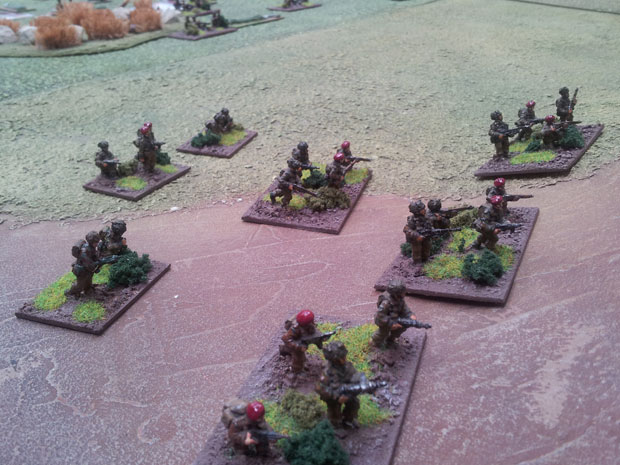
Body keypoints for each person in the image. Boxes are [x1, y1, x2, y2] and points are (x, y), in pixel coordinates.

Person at [316, 342, 385, 428]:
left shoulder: (347, 366)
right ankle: (335, 425)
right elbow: (321, 389)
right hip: (332, 396)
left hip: (346, 391)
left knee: (354, 403)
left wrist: (362, 382)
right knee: (334, 411)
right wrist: (336, 397)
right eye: (341, 358)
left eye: (344, 356)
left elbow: (354, 375)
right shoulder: (327, 373)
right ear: (335, 360)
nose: (344, 359)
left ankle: (348, 420)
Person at [372, 280, 430, 347]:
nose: (404, 293)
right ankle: (375, 343)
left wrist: (410, 314)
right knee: (382, 333)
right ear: (396, 294)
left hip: (396, 319)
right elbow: (380, 315)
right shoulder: (386, 303)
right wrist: (391, 324)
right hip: (385, 322)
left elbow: (404, 308)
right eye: (402, 292)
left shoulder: (399, 299)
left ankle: (390, 340)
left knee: (400, 328)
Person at [66, 231, 101, 298]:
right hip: (81, 270)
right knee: (79, 285)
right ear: (91, 242)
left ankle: (88, 290)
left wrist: (97, 259)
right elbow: (89, 264)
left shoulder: (92, 248)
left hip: (88, 270)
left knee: (88, 281)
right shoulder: (84, 252)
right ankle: (70, 292)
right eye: (96, 242)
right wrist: (99, 263)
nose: (97, 244)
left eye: (97, 242)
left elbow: (94, 256)